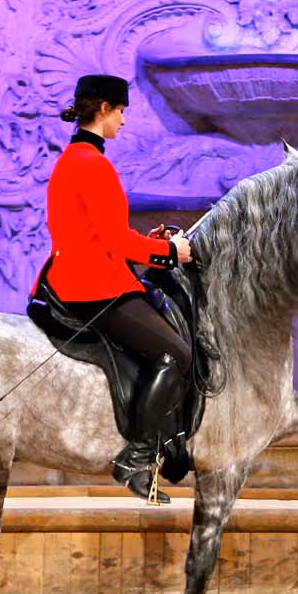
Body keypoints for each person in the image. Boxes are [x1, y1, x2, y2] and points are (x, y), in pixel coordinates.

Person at [33, 74, 193, 502]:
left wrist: (153, 241)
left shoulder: (75, 158)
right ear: (103, 108)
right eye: (121, 111)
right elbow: (116, 241)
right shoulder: (91, 164)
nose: (123, 120)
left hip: (83, 274)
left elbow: (101, 232)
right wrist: (169, 252)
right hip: (93, 285)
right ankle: (137, 458)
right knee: (176, 353)